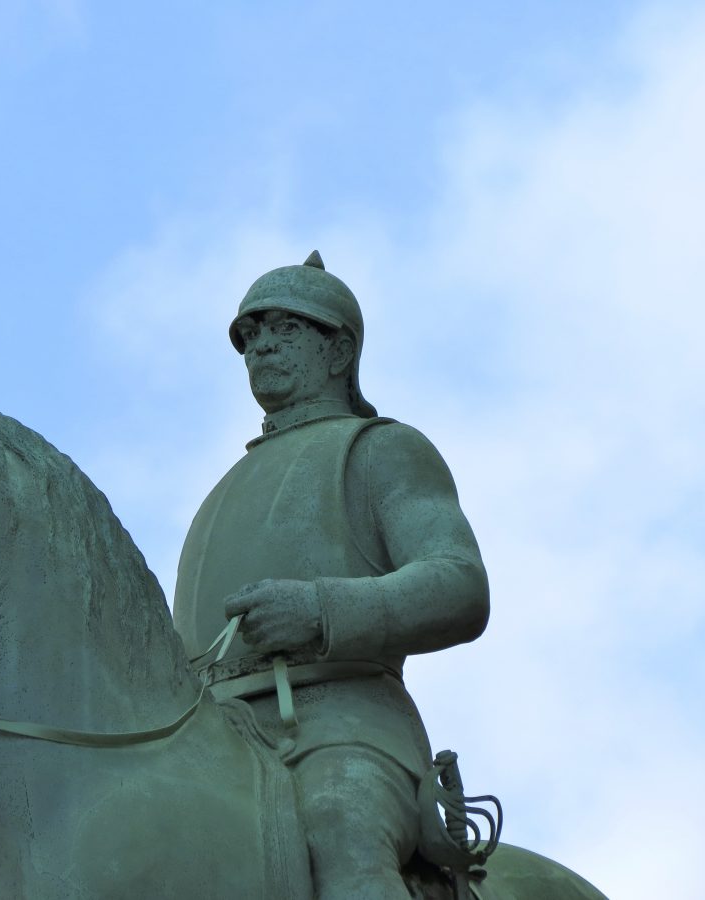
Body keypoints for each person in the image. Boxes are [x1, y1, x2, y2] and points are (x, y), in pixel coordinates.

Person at [173, 251, 489, 900]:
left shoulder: (381, 449)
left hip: (344, 731)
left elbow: (459, 584)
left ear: (339, 351)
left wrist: (321, 611)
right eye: (250, 337)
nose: (260, 347)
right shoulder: (217, 495)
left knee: (337, 825)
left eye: (284, 329)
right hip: (212, 743)